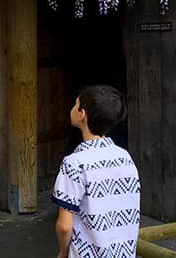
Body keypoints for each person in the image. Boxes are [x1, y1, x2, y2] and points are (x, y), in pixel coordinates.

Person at [52, 85, 140, 257]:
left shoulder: (74, 163)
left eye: (75, 105)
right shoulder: (125, 157)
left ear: (81, 114)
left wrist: (63, 252)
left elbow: (64, 226)